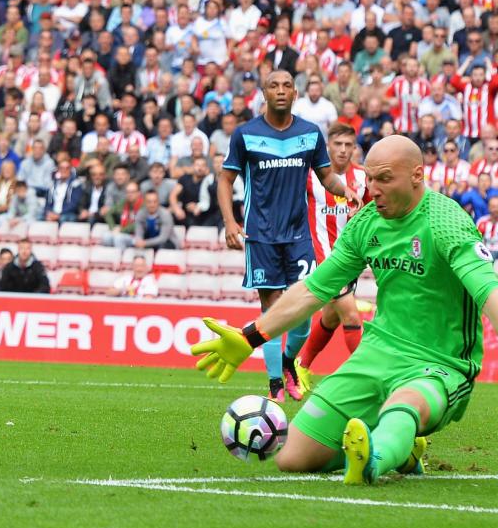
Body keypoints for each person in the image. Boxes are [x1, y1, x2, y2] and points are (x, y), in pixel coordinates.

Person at [192, 135, 498, 486]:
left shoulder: (446, 222)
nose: (373, 188)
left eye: (384, 178)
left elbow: (488, 290)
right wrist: (251, 337)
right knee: (293, 458)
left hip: (440, 363)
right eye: (369, 178)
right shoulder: (365, 223)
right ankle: (403, 447)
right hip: (377, 355)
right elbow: (312, 290)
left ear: (417, 175)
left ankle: (376, 458)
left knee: (405, 403)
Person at [219, 70, 362, 403]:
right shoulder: (245, 134)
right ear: (264, 93)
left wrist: (347, 192)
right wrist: (230, 221)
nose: (280, 91)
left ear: (295, 93)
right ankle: (274, 384)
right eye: (273, 85)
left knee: (301, 311)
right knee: (271, 311)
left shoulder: (310, 134)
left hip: (299, 236)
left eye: (286, 86)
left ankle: (287, 364)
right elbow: (225, 179)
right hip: (261, 235)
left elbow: (326, 176)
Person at [295, 123, 369, 390]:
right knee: (350, 315)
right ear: (328, 146)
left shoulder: (363, 178)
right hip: (322, 258)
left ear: (355, 147)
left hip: (351, 260)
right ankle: (366, 377)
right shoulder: (310, 176)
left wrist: (361, 214)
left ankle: (301, 365)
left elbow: (374, 212)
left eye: (349, 145)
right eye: (338, 144)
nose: (343, 150)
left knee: (330, 317)